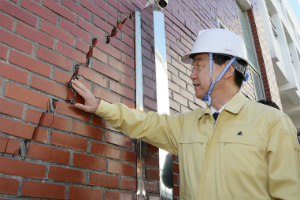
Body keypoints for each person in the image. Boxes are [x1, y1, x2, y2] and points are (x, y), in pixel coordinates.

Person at [71, 29, 300, 199]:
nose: (191, 75)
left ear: (228, 70)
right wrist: (100, 106)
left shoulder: (273, 123)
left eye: (198, 66)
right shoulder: (187, 124)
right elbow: (146, 124)